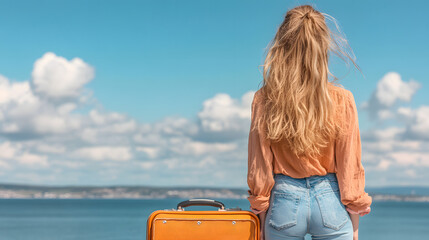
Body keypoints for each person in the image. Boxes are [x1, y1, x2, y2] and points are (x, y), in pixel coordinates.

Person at [247, 4, 372, 240]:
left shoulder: (264, 98)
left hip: (283, 201)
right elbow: (349, 166)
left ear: (282, 44)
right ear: (322, 46)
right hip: (330, 199)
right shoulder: (342, 99)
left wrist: (262, 224)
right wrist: (354, 227)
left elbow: (259, 166)